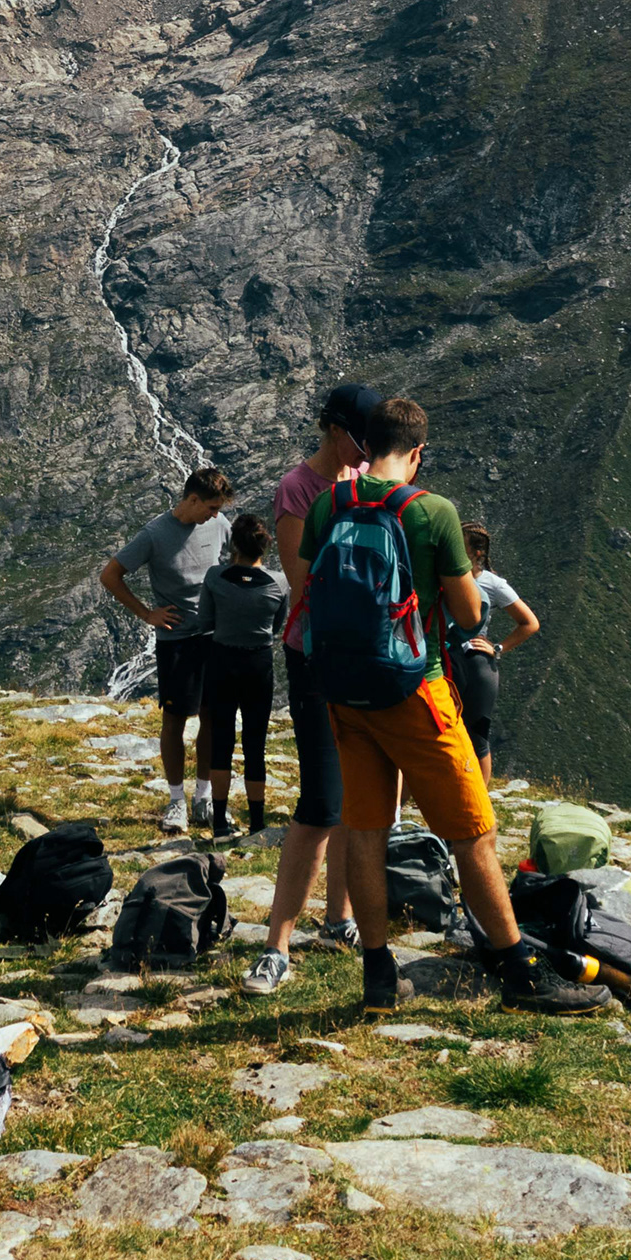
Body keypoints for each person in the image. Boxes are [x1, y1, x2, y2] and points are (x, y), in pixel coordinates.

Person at [286, 398, 564, 1013]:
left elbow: (306, 592)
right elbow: (468, 615)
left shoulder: (328, 504)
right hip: (417, 689)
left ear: (366, 446)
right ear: (417, 452)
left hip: (345, 692)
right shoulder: (432, 511)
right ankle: (521, 972)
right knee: (474, 831)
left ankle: (378, 976)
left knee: (366, 829)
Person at [247, 384, 378, 995]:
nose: (366, 451)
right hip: (316, 655)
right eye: (358, 439)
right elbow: (302, 584)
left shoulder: (367, 480)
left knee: (357, 793)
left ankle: (337, 918)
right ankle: (276, 945)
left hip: (364, 656)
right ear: (333, 429)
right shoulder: (297, 489)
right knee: (322, 800)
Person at [98, 463, 235, 831]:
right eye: (211, 508)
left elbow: (239, 559)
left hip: (214, 636)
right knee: (174, 720)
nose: (215, 516)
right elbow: (110, 575)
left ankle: (204, 797)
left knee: (212, 715)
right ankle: (176, 801)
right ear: (193, 500)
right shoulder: (155, 534)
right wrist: (146, 613)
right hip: (176, 641)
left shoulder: (219, 525)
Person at [189, 514, 287, 839]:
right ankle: (257, 823)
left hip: (222, 660)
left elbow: (204, 621)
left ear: (234, 545)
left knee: (222, 741)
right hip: (258, 663)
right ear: (264, 546)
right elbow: (277, 626)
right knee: (255, 744)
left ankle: (219, 822)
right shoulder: (279, 583)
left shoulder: (215, 577)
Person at [447, 521, 539, 773]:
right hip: (446, 658)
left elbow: (529, 623)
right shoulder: (446, 573)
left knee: (477, 737)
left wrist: (498, 648)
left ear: (477, 553)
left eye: (460, 544)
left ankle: (481, 796)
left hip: (476, 666)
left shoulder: (493, 584)